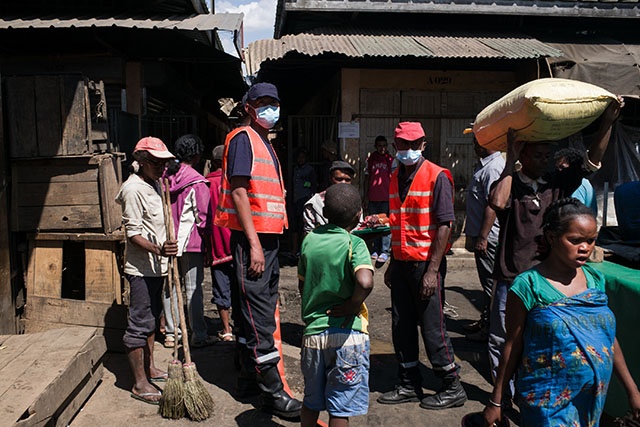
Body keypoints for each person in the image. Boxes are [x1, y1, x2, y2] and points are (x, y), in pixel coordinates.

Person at [487, 99, 622, 407]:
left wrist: (608, 123)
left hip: (548, 280)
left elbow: (593, 160)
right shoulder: (511, 185)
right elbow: (497, 202)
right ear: (523, 154)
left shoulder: (556, 183)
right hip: (513, 277)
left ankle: (531, 398)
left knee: (542, 342)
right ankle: (502, 401)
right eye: (537, 154)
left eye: (547, 155)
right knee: (505, 342)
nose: (544, 160)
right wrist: (510, 160)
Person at [483, 198, 640, 427]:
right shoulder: (528, 285)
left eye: (591, 240)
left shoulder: (595, 280)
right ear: (551, 238)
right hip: (546, 402)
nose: (585, 248)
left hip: (591, 400)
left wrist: (632, 391)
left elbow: (607, 338)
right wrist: (496, 400)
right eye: (575, 240)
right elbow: (512, 344)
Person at [214, 82, 302, 419]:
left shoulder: (263, 141)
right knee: (259, 316)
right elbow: (239, 193)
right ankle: (274, 394)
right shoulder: (243, 138)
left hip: (267, 239)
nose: (271, 109)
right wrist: (253, 245)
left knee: (248, 313)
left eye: (274, 103)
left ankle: (248, 380)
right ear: (249, 107)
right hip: (254, 241)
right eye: (263, 103)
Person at [377, 122, 467, 410]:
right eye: (404, 145)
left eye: (415, 145)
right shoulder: (394, 177)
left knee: (432, 328)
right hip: (402, 263)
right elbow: (399, 223)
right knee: (401, 325)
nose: (410, 150)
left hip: (425, 266)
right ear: (395, 146)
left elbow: (445, 225)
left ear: (424, 145)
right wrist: (392, 261)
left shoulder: (437, 176)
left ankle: (452, 385)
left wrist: (432, 271)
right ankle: (408, 382)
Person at [299, 183, 375, 427]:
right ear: (358, 215)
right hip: (348, 335)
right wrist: (353, 305)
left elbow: (303, 286)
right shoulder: (355, 243)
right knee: (340, 407)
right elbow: (364, 282)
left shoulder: (309, 241)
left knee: (311, 402)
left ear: (325, 213)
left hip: (313, 335)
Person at [115, 137, 178, 405]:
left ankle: (151, 368)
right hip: (141, 269)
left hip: (158, 269)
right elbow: (133, 234)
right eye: (155, 162)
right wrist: (158, 249)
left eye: (164, 163)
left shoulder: (154, 184)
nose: (162, 167)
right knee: (140, 323)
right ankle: (140, 383)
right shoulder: (132, 189)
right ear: (140, 161)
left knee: (153, 319)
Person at [162, 134, 215, 349]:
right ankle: (198, 334)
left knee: (170, 287)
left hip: (166, 240)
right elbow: (203, 218)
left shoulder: (164, 177)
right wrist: (208, 245)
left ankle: (171, 333)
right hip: (191, 242)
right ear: (197, 155)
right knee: (193, 289)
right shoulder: (197, 182)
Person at [463, 138, 505, 342]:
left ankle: (491, 329)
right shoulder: (486, 166)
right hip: (484, 235)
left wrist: (483, 237)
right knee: (487, 283)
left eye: (477, 142)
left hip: (489, 238)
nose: (474, 146)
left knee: (491, 285)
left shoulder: (494, 168)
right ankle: (486, 320)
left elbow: (493, 205)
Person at [206, 144, 236, 342]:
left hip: (215, 243)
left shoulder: (204, 183)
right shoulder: (234, 182)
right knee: (240, 286)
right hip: (235, 242)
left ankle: (226, 330)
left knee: (221, 287)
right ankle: (240, 324)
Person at [302, 160, 356, 235]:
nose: (343, 183)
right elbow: (309, 235)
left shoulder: (355, 202)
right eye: (339, 179)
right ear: (330, 179)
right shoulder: (314, 204)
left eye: (347, 180)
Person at [365, 135, 393, 265]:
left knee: (385, 225)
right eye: (380, 146)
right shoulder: (370, 160)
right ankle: (375, 249)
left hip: (386, 198)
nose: (382, 148)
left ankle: (385, 251)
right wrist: (365, 195)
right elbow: (367, 178)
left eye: (384, 146)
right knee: (373, 225)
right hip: (373, 197)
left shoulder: (391, 160)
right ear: (376, 146)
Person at [554, 147, 598, 214]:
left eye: (562, 167)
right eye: (557, 168)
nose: (559, 171)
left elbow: (574, 213)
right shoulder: (585, 182)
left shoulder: (577, 186)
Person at [291, 147, 317, 256]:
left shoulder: (309, 170)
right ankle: (294, 250)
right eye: (299, 158)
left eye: (302, 158)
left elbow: (313, 184)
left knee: (304, 225)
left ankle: (303, 249)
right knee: (295, 226)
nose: (300, 160)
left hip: (304, 199)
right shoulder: (295, 169)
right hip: (295, 199)